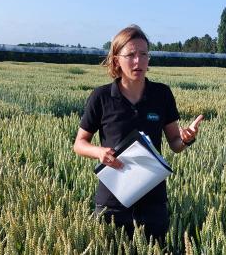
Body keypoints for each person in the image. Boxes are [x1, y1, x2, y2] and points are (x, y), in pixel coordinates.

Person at [73, 24, 204, 243]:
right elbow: (79, 143)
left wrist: (186, 138)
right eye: (131, 54)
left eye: (143, 54)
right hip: (113, 200)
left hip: (153, 199)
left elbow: (174, 143)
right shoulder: (101, 97)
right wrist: (99, 152)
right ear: (116, 60)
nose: (138, 61)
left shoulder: (161, 94)